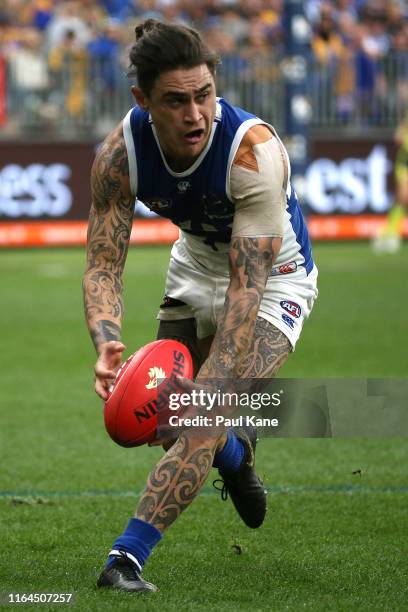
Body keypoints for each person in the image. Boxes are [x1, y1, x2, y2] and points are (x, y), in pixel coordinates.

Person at [83, 19, 318, 593]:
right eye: (176, 101)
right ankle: (235, 456)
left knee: (202, 413)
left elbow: (245, 295)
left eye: (204, 95)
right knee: (167, 420)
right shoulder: (120, 153)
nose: (195, 114)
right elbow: (103, 264)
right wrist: (107, 341)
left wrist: (208, 399)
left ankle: (126, 559)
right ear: (143, 100)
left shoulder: (253, 154)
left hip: (272, 281)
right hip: (194, 264)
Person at [372, 114, 408, 253]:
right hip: (405, 163)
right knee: (403, 198)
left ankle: (391, 231)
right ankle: (391, 232)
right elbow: (398, 136)